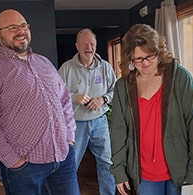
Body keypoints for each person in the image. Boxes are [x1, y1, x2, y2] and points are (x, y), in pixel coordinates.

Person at [0, 9, 79, 195]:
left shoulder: (45, 63)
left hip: (62, 158)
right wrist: (12, 160)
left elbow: (64, 101)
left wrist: (69, 138)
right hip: (24, 167)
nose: (20, 31)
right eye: (12, 27)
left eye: (23, 26)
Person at [110, 24, 193, 195]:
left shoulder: (181, 79)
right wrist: (119, 171)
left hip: (181, 171)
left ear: (159, 52)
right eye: (139, 59)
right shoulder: (123, 87)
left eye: (151, 56)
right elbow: (118, 133)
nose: (146, 63)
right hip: (144, 174)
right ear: (130, 59)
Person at [58, 28, 117, 195]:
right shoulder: (66, 68)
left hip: (100, 122)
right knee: (71, 164)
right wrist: (74, 97)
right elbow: (54, 96)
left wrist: (102, 99)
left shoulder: (105, 67)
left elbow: (115, 92)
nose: (89, 48)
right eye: (85, 44)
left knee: (107, 162)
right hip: (75, 125)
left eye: (92, 44)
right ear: (77, 46)